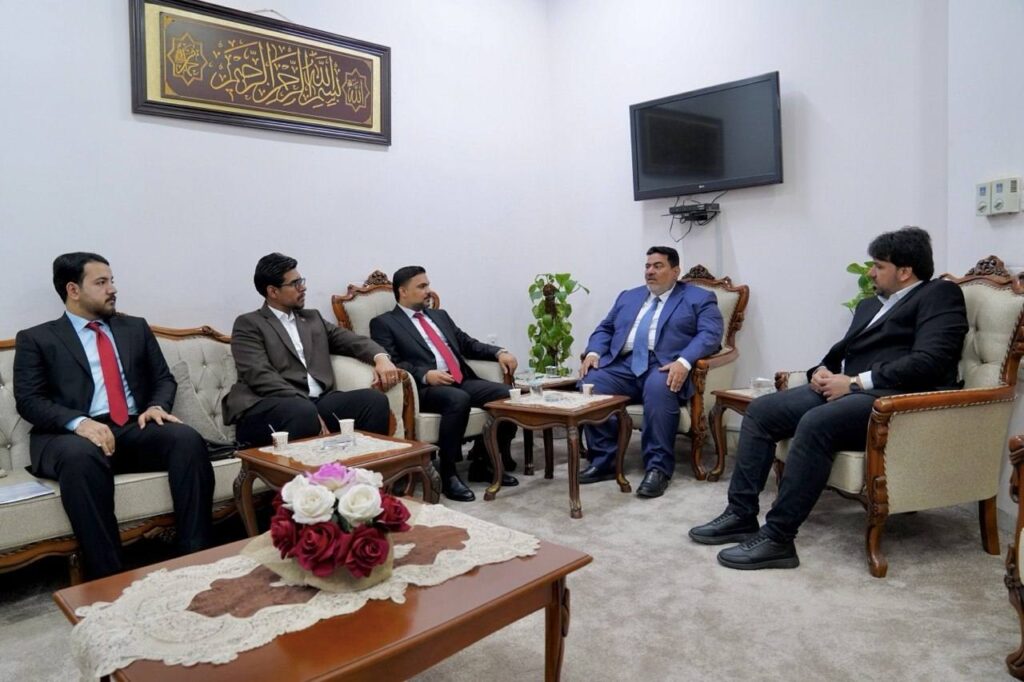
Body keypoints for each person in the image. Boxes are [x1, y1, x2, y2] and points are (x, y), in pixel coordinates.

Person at [689, 226, 968, 570]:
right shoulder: (869, 305)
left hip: (894, 400)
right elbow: (841, 355)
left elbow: (931, 361)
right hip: (849, 391)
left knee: (816, 422)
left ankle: (778, 537)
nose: (871, 272)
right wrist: (821, 370)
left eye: (879, 266)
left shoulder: (939, 294)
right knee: (761, 411)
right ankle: (740, 514)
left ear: (905, 271)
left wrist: (854, 383)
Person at [13, 252, 214, 579]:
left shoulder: (134, 327)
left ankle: (197, 557)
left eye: (112, 281)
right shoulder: (37, 338)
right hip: (69, 436)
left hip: (131, 427)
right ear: (73, 290)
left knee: (185, 439)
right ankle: (109, 577)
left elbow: (163, 379)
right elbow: (29, 400)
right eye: (101, 282)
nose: (112, 289)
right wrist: (79, 423)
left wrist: (156, 406)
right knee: (80, 456)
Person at [579, 246, 724, 498]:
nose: (650, 271)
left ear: (675, 271)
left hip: (664, 364)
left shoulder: (699, 298)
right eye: (647, 266)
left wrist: (684, 361)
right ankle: (604, 461)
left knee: (660, 387)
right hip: (624, 365)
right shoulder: (628, 296)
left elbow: (710, 334)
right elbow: (605, 329)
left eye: (658, 266)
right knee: (592, 383)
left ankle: (658, 469)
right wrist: (593, 352)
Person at [369, 266, 519, 502]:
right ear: (403, 291)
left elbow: (467, 343)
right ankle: (448, 473)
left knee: (510, 395)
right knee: (457, 399)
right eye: (422, 286)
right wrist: (425, 375)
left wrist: (499, 352)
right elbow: (393, 361)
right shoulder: (384, 323)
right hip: (425, 388)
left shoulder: (440, 316)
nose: (428, 290)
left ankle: (483, 463)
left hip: (460, 379)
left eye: (428, 285)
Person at [222, 253, 401, 447]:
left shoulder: (312, 318)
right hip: (268, 406)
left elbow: (352, 341)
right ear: (273, 291)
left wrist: (381, 358)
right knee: (302, 411)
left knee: (373, 401)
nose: (303, 287)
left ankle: (364, 464)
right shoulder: (249, 324)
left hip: (316, 402)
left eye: (302, 281)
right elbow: (259, 375)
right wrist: (306, 405)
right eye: (295, 283)